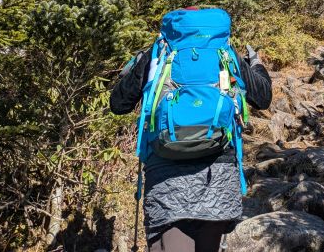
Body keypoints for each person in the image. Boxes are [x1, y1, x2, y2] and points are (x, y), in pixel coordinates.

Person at [110, 13, 272, 252]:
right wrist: (256, 64)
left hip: (166, 180)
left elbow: (118, 104)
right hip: (217, 179)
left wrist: (134, 68)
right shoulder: (225, 52)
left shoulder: (159, 52)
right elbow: (263, 97)